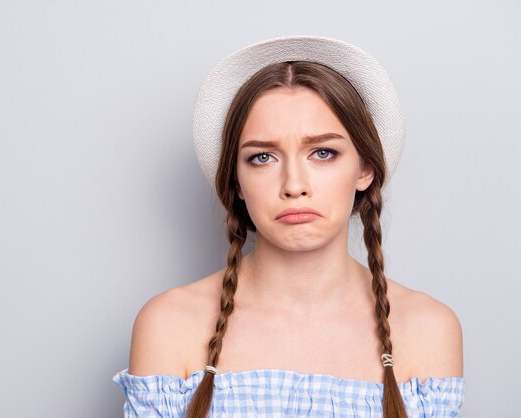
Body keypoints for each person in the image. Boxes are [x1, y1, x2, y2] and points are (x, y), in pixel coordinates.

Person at [113, 35, 464, 418]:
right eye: (263, 157)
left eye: (323, 153)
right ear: (236, 182)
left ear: (365, 169)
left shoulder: (427, 329)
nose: (294, 185)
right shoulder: (170, 324)